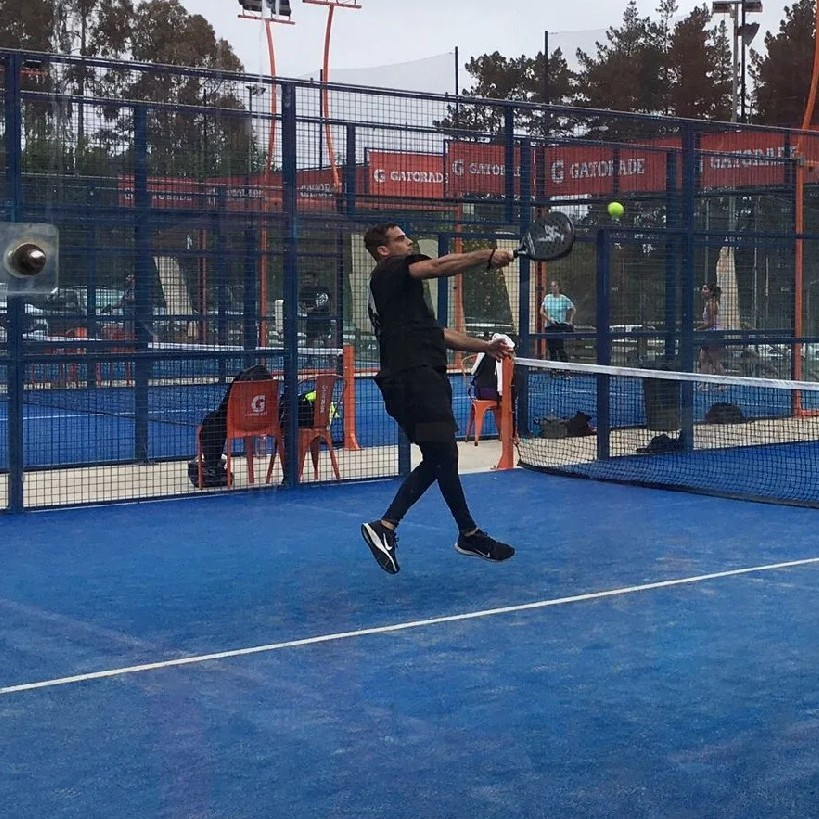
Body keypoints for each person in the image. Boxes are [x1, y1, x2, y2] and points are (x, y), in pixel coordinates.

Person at [360, 223, 516, 575]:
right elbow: (438, 266)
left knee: (440, 455)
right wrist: (487, 256)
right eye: (400, 239)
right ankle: (389, 526)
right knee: (442, 454)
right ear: (383, 250)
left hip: (414, 379)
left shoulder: (400, 297)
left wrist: (486, 346)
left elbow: (437, 334)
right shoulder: (390, 269)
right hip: (413, 379)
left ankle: (464, 533)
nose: (409, 242)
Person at [540, 280, 575, 364]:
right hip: (549, 326)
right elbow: (541, 311)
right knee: (551, 349)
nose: (553, 288)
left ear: (559, 287)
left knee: (560, 348)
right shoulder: (547, 298)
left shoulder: (564, 299)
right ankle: (554, 369)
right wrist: (548, 318)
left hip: (559, 325)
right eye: (551, 286)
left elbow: (573, 309)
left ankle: (565, 368)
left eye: (555, 286)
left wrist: (570, 321)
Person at [298, 270, 332, 347]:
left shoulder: (324, 289)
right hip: (311, 317)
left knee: (325, 337)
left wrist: (316, 307)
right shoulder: (304, 290)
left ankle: (330, 354)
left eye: (309, 279)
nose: (307, 281)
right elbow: (301, 303)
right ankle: (308, 354)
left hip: (324, 317)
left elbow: (329, 301)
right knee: (310, 338)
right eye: (305, 279)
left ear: (315, 279)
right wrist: (305, 309)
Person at [698, 282, 725, 378]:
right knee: (703, 359)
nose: (702, 291)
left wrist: (698, 329)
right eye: (702, 288)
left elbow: (711, 322)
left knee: (715, 361)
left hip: (714, 334)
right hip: (708, 334)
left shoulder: (711, 304)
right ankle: (704, 382)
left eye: (705, 289)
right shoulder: (708, 303)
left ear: (711, 292)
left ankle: (722, 383)